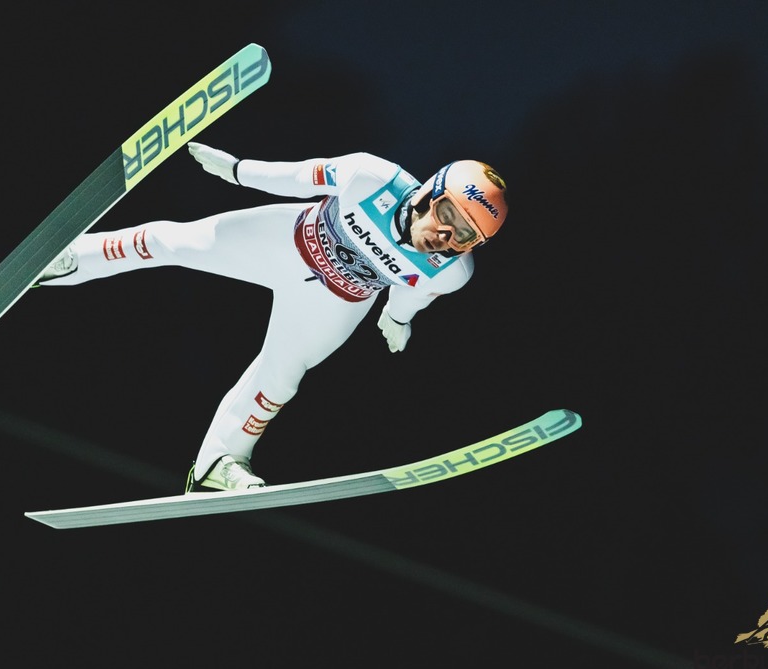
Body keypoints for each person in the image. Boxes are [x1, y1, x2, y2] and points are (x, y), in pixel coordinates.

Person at [36, 142, 509, 493]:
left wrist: (398, 318)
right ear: (429, 192)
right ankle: (73, 259)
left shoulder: (452, 271)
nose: (445, 236)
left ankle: (220, 462)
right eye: (448, 214)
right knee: (171, 241)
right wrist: (239, 171)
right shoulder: (373, 177)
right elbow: (300, 177)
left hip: (337, 301)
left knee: (282, 377)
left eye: (465, 236)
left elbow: (415, 291)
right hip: (285, 242)